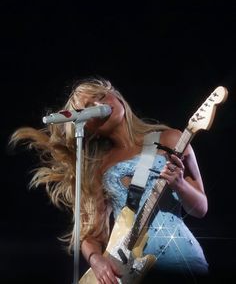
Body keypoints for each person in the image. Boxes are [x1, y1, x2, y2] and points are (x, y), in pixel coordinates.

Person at [9, 77, 209, 283]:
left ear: (118, 98)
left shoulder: (171, 140)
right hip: (128, 272)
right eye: (88, 107)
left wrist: (181, 185)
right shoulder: (99, 167)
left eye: (101, 96)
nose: (99, 105)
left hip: (181, 261)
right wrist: (96, 260)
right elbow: (91, 232)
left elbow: (201, 208)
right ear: (87, 127)